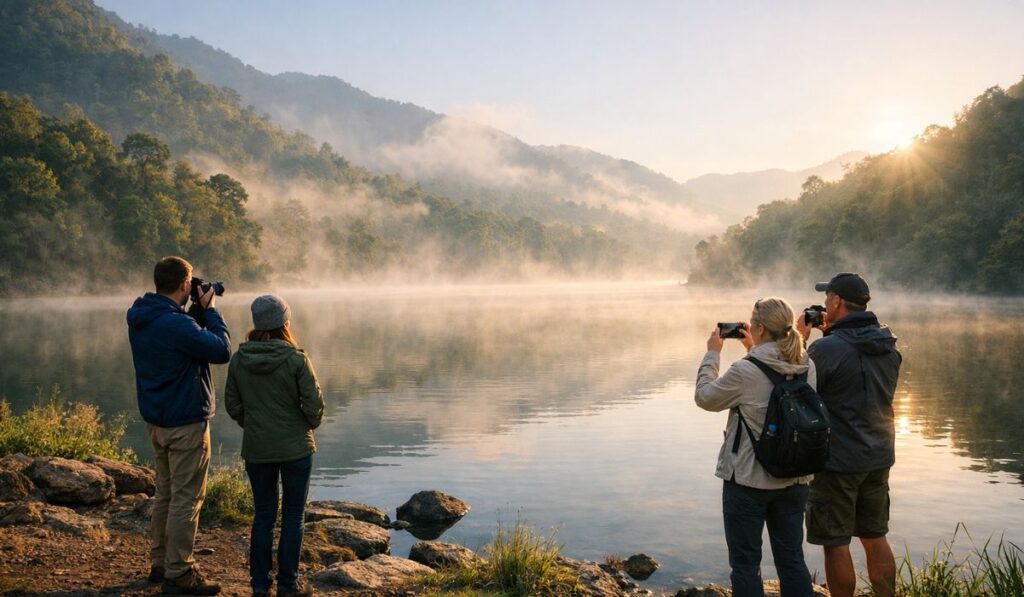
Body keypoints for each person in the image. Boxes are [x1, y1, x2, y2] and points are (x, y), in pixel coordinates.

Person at [695, 297, 817, 597]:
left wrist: (712, 354)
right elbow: (774, 379)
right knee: (792, 560)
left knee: (746, 564)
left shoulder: (745, 370)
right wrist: (754, 348)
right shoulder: (806, 364)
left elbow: (705, 397)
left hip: (748, 481)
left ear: (759, 327)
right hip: (795, 478)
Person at [127, 256, 230, 595]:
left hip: (157, 420)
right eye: (190, 286)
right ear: (185, 285)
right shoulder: (176, 324)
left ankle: (160, 562)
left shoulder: (145, 316)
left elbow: (180, 337)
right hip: (185, 421)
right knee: (186, 498)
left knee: (166, 495)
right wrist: (210, 311)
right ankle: (179, 571)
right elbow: (220, 350)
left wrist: (194, 313)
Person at [797, 273, 901, 597]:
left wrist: (802, 341)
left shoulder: (825, 350)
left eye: (827, 298)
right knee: (875, 536)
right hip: (879, 455)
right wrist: (831, 334)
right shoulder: (888, 345)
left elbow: (797, 389)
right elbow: (856, 381)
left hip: (838, 462)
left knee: (835, 542)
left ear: (837, 301)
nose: (824, 304)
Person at [225, 295, 324, 597]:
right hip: (296, 448)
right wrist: (305, 425)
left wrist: (254, 426)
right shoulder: (296, 358)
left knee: (264, 515)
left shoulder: (240, 359)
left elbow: (232, 404)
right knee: (293, 516)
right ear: (284, 322)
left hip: (258, 449)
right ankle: (287, 585)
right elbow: (315, 405)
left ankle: (258, 585)